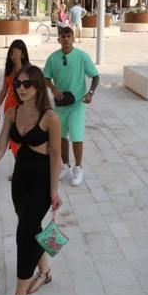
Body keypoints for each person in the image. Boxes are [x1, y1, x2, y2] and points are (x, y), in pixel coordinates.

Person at [0, 64, 62, 295]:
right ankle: (45, 271)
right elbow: (1, 147)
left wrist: (55, 190)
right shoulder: (11, 113)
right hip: (20, 182)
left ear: (38, 87)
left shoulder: (50, 118)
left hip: (42, 185)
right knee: (32, 228)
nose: (21, 88)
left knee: (24, 234)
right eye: (18, 84)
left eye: (27, 84)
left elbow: (56, 156)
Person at [43, 25, 99, 187]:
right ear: (58, 39)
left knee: (77, 137)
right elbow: (46, 77)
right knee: (60, 138)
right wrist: (53, 88)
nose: (66, 39)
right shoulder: (53, 58)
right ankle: (65, 165)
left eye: (69, 36)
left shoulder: (82, 57)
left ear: (73, 38)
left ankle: (78, 168)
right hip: (60, 106)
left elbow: (95, 77)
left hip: (77, 105)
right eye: (63, 36)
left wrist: (91, 93)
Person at [0, 40, 31, 165]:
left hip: (23, 108)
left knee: (22, 139)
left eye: (18, 53)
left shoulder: (29, 68)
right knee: (13, 139)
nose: (14, 56)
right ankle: (19, 170)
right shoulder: (8, 69)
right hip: (9, 107)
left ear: (23, 54)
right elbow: (4, 90)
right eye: (12, 53)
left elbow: (22, 81)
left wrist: (19, 62)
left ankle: (23, 169)